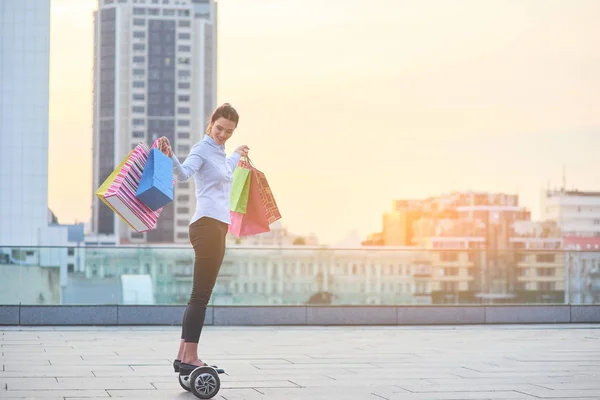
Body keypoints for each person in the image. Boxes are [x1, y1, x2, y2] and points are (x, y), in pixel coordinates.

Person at [157, 103, 249, 373]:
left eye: (229, 132)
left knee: (200, 295)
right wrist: (172, 156)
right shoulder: (202, 148)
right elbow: (184, 174)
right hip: (207, 225)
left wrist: (237, 152)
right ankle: (191, 357)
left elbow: (227, 168)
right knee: (200, 296)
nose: (223, 134)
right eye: (219, 128)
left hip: (218, 227)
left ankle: (183, 354)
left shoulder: (220, 153)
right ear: (211, 123)